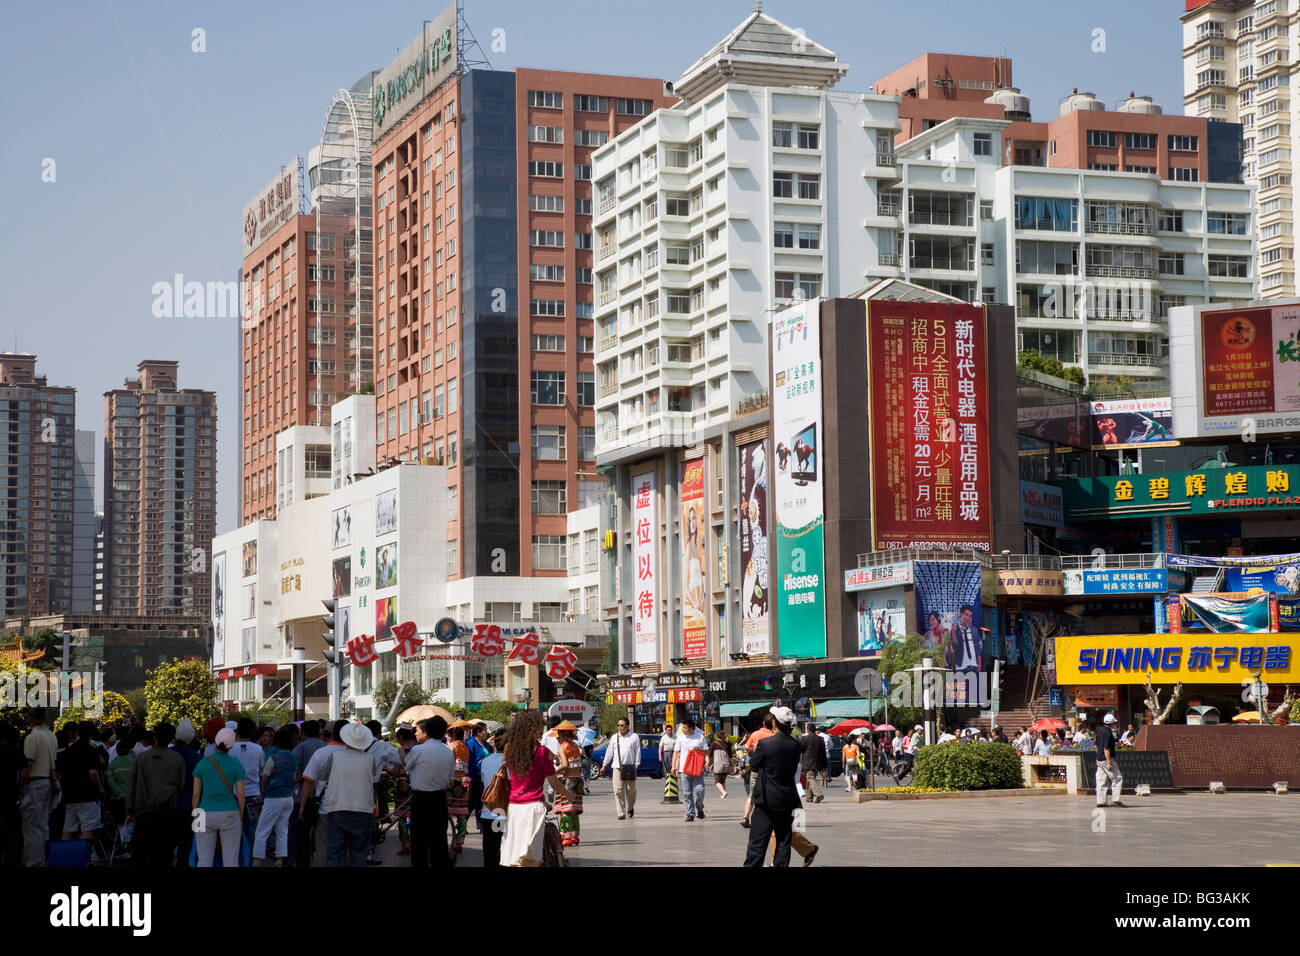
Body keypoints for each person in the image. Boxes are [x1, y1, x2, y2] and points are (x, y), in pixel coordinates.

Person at [500, 709, 568, 867]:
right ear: (533, 728)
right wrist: (567, 794)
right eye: (538, 726)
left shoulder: (510, 751)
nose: (541, 730)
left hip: (514, 809)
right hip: (533, 809)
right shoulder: (541, 752)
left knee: (515, 857)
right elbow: (553, 782)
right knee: (530, 859)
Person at [743, 707, 803, 868]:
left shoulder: (765, 744)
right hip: (787, 798)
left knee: (757, 842)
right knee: (783, 840)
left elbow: (754, 765)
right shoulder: (796, 745)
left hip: (766, 800)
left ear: (775, 722)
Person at [314, 722, 380, 866]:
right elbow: (373, 776)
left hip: (337, 808)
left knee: (335, 852)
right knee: (359, 853)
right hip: (363, 810)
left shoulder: (334, 756)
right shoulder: (370, 758)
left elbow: (322, 777)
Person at [126, 722, 186, 867]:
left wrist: (130, 810)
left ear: (155, 738)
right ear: (172, 739)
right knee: (164, 856)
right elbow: (182, 785)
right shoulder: (177, 759)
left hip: (144, 814)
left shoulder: (141, 758)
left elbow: (130, 787)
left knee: (141, 856)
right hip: (167, 814)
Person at [192, 728, 246, 867]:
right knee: (231, 859)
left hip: (204, 813)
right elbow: (241, 796)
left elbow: (196, 795)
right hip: (229, 812)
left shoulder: (202, 764)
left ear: (215, 742)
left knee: (204, 859)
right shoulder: (236, 765)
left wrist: (195, 815)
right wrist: (240, 816)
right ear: (232, 745)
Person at [298, 719, 348, 867]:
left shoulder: (321, 753)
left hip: (325, 808)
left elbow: (308, 781)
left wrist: (302, 806)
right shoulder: (357, 754)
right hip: (350, 809)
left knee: (323, 846)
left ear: (332, 734)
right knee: (345, 847)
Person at [405, 717, 453, 868]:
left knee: (419, 840)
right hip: (439, 798)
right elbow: (450, 777)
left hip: (420, 798)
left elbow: (407, 768)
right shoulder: (448, 752)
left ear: (426, 731)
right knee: (439, 839)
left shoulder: (418, 750)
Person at [18, 707, 58, 866]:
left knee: (31, 828)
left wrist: (20, 786)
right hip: (48, 781)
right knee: (42, 826)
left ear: (31, 720)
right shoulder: (51, 735)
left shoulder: (33, 737)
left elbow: (28, 764)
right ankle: (43, 860)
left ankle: (34, 862)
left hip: (35, 783)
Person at [254, 726, 298, 866]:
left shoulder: (274, 758)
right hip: (289, 797)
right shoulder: (293, 758)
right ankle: (280, 859)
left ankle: (257, 860)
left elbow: (265, 777)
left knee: (262, 829)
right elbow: (294, 777)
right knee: (282, 829)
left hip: (273, 797)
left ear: (277, 742)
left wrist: (262, 791)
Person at [57, 720, 105, 846]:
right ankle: (85, 859)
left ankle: (62, 856)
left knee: (67, 830)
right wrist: (100, 787)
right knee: (87, 830)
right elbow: (93, 773)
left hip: (70, 796)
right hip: (88, 796)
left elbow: (59, 774)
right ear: (92, 734)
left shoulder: (67, 751)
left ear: (77, 732)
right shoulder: (92, 751)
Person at [229, 719, 266, 848]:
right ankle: (249, 859)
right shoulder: (258, 749)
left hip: (234, 794)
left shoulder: (230, 749)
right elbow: (262, 767)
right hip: (253, 795)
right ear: (253, 732)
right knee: (252, 829)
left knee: (233, 829)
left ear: (237, 731)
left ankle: (235, 858)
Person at [172, 719, 202, 868]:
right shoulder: (197, 758)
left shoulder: (169, 755)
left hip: (170, 805)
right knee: (189, 843)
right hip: (193, 806)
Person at [740, 716, 776, 829]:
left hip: (756, 768)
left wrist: (752, 753)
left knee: (752, 793)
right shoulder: (774, 736)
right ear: (774, 724)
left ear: (764, 722)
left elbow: (746, 748)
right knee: (769, 794)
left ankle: (745, 817)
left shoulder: (755, 734)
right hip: (769, 770)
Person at [477, 729, 507, 867]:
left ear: (494, 744)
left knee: (490, 851)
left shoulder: (485, 761)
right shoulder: (513, 763)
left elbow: (484, 781)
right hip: (508, 812)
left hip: (489, 812)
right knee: (508, 850)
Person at [552, 721, 584, 848]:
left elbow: (565, 765)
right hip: (578, 780)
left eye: (558, 735)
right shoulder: (575, 746)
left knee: (566, 811)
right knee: (574, 811)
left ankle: (567, 837)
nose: (557, 738)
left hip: (567, 781)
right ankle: (575, 836)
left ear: (562, 735)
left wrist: (553, 772)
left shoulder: (562, 747)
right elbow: (573, 760)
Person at [601, 717, 640, 820]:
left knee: (631, 791)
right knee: (618, 791)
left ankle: (630, 807)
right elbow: (609, 752)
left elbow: (637, 752)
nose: (619, 727)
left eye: (622, 725)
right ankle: (621, 812)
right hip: (617, 767)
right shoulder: (614, 737)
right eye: (618, 725)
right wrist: (604, 765)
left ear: (628, 726)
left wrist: (636, 765)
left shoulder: (634, 737)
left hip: (630, 767)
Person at [445, 720, 474, 855]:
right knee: (461, 813)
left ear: (451, 734)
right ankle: (460, 841)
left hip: (451, 781)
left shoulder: (452, 746)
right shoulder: (465, 747)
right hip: (463, 781)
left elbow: (446, 762)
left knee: (445, 812)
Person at [674, 718, 708, 822]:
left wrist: (700, 750)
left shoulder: (700, 737)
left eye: (684, 728)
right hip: (684, 769)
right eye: (682, 728)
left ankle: (699, 808)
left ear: (691, 728)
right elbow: (676, 752)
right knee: (687, 793)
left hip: (697, 768)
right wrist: (674, 767)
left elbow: (707, 751)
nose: (683, 730)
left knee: (700, 790)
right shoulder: (680, 738)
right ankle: (690, 813)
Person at [1095, 714, 1124, 808]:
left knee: (1101, 781)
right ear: (1112, 723)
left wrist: (1099, 755)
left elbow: (1096, 746)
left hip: (1099, 758)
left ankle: (1101, 801)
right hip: (1106, 758)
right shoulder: (1108, 733)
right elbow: (1106, 748)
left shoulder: (1099, 730)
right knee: (1117, 778)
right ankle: (1115, 800)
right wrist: (1109, 762)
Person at [799, 723, 827, 803]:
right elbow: (823, 753)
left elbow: (801, 750)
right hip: (817, 763)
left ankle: (819, 794)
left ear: (807, 729)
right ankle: (809, 797)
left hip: (808, 762)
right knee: (810, 778)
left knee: (810, 778)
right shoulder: (821, 739)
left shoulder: (804, 739)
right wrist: (824, 765)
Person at [948, 605, 979, 670]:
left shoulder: (974, 630)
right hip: (960, 666)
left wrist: (979, 663)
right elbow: (954, 646)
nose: (967, 618)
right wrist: (953, 632)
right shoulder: (955, 630)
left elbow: (977, 648)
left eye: (970, 616)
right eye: (966, 614)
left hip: (974, 665)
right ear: (961, 614)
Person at [709, 730, 732, 799]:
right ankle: (722, 794)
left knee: (717, 782)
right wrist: (733, 766)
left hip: (718, 764)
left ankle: (724, 792)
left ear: (717, 736)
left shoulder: (714, 743)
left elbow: (709, 754)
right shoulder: (728, 744)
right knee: (722, 781)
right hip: (726, 764)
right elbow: (730, 756)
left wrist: (708, 762)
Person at [658, 723, 677, 803]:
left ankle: (674, 784)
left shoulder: (675, 737)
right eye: (668, 730)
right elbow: (660, 747)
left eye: (670, 730)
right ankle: (668, 783)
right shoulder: (663, 738)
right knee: (667, 769)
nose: (669, 731)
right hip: (666, 753)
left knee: (674, 768)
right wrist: (659, 755)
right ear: (665, 731)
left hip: (673, 753)